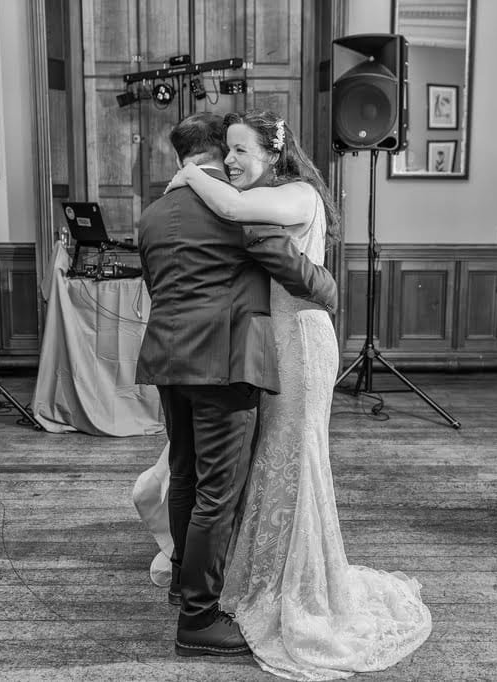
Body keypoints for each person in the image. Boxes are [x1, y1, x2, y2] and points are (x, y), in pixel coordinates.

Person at [156, 110, 432, 679]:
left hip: (299, 342)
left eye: (240, 150)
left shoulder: (297, 193)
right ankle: (258, 574)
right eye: (225, 151)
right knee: (263, 466)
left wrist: (190, 175)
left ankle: (299, 583)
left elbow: (237, 216)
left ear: (275, 154)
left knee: (295, 459)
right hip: (262, 342)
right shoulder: (259, 196)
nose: (230, 161)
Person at [135, 112, 339, 659]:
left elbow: (158, 284)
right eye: (229, 152)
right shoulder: (235, 209)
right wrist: (331, 288)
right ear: (217, 156)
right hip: (224, 361)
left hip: (166, 358)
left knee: (183, 473)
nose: (233, 162)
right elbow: (290, 268)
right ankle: (199, 621)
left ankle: (182, 580)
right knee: (216, 494)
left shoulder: (153, 215)